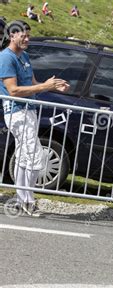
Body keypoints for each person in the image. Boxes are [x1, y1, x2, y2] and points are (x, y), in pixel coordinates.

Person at [0, 20, 69, 215]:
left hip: (29, 110)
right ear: (12, 35)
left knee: (24, 156)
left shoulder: (25, 56)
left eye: (29, 36)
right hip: (16, 112)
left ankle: (23, 200)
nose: (28, 39)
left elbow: (33, 83)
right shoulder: (6, 58)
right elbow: (13, 90)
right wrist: (44, 87)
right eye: (24, 36)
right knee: (35, 156)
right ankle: (28, 201)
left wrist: (52, 85)